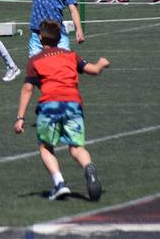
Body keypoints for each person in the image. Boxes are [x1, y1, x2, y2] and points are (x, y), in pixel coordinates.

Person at [14, 18, 110, 201]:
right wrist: (101, 63)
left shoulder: (35, 61)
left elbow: (28, 88)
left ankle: (59, 183)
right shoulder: (71, 55)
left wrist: (20, 118)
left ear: (40, 38)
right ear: (60, 38)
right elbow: (92, 70)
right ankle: (88, 166)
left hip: (49, 105)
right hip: (73, 103)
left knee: (45, 146)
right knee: (76, 147)